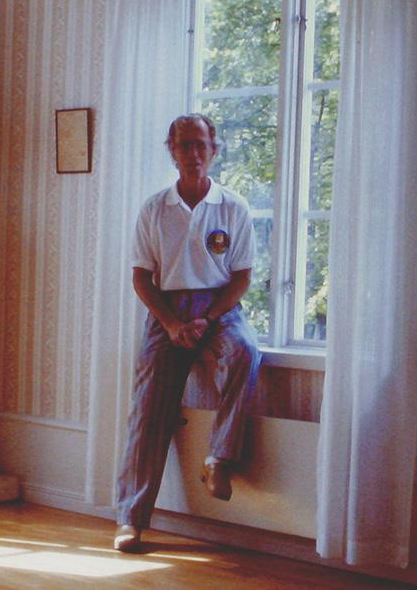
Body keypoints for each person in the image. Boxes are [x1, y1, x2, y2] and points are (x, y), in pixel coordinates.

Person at [113, 114, 262, 553]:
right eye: (184, 146)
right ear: (172, 152)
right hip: (168, 310)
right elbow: (141, 277)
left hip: (219, 307)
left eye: (200, 144)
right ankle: (130, 520)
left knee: (245, 352)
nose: (193, 154)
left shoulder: (232, 207)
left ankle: (219, 458)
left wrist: (208, 318)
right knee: (148, 407)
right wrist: (173, 324)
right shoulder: (155, 209)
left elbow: (242, 277)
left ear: (213, 150)